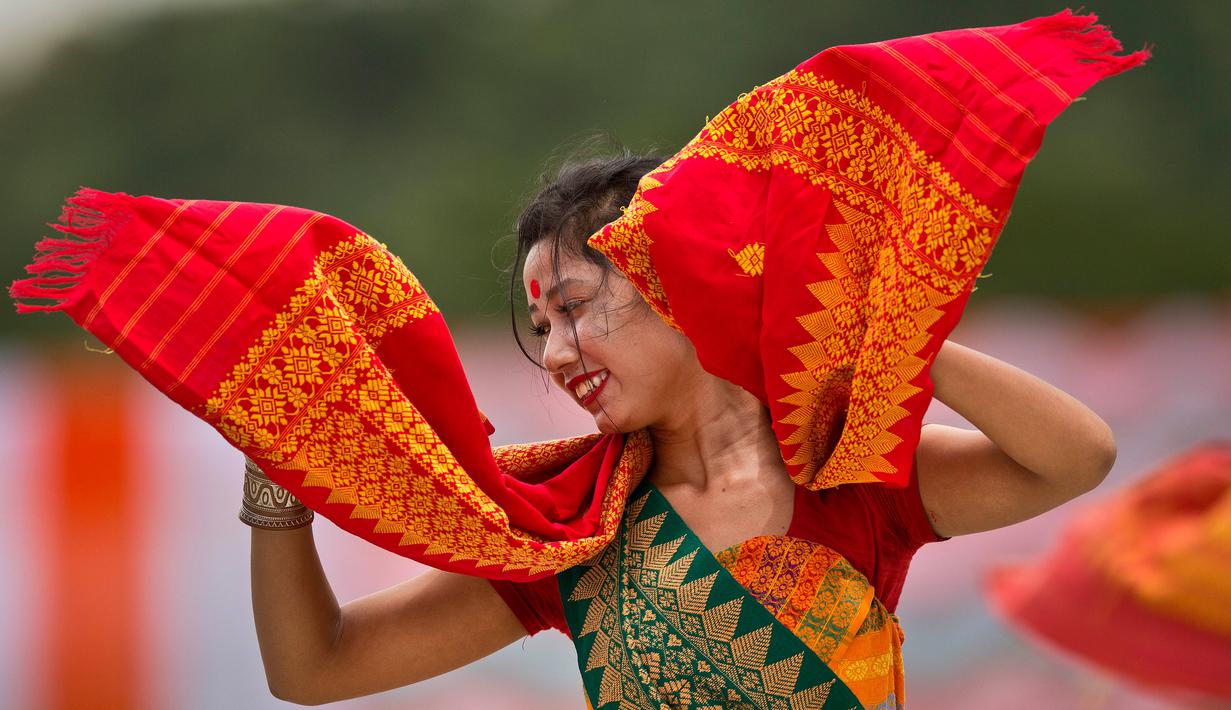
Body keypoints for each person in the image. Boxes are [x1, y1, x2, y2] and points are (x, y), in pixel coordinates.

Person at [245, 151, 1117, 707]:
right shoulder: (570, 529)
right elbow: (315, 670)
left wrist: (881, 323)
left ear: (682, 284)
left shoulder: (848, 472)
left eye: (576, 308)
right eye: (542, 326)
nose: (554, 355)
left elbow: (1075, 458)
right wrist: (277, 484)